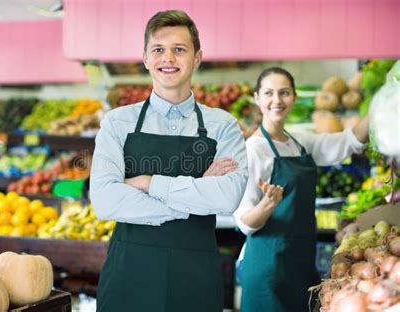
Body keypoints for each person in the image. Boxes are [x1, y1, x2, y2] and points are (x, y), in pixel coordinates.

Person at [90, 10, 248, 312]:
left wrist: (149, 184)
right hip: (129, 276)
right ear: (146, 59)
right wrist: (198, 191)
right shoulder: (117, 123)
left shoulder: (223, 126)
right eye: (158, 50)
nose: (168, 58)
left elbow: (227, 198)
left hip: (195, 277)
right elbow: (105, 201)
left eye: (179, 49)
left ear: (197, 57)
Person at [233, 67, 369, 312]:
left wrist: (381, 108)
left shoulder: (300, 142)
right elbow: (245, 223)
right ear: (257, 98)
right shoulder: (253, 149)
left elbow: (350, 141)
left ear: (294, 97)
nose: (277, 100)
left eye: (284, 93)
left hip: (301, 263)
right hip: (268, 267)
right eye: (269, 93)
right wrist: (268, 205)